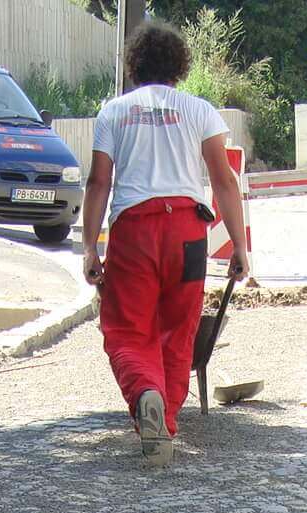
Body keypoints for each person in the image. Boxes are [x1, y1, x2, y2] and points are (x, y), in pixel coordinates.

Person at [80, 21, 249, 466]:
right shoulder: (199, 111)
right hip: (188, 233)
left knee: (127, 330)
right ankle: (164, 426)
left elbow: (100, 182)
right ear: (179, 66)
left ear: (134, 65)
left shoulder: (114, 112)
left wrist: (89, 248)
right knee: (179, 333)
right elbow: (223, 180)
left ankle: (146, 395)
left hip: (134, 231)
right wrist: (239, 245)